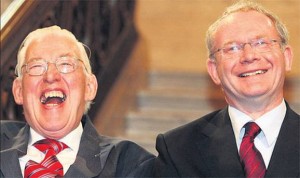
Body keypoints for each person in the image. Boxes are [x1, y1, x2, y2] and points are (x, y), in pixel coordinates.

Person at [153, 1, 299, 177]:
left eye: (261, 43)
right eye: (232, 48)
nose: (249, 56)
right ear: (214, 71)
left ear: (287, 58)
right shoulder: (177, 149)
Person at [0, 25, 154, 177]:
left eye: (66, 64)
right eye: (36, 66)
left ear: (89, 87)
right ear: (19, 91)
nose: (51, 76)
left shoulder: (129, 164)